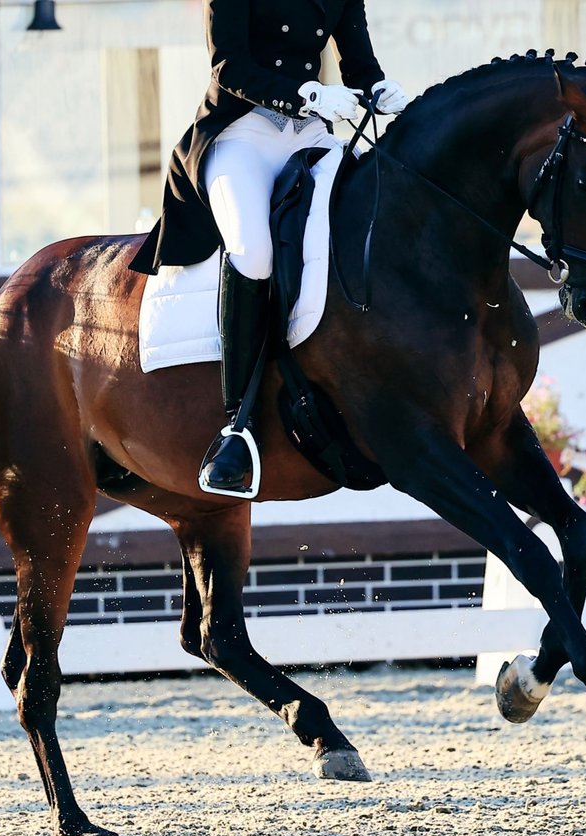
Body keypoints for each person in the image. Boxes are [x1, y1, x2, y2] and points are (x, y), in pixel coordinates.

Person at [129, 0, 408, 495]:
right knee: (253, 252)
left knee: (378, 211)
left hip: (311, 135)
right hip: (241, 133)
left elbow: (358, 64)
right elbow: (228, 66)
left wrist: (377, 89)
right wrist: (307, 95)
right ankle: (237, 426)